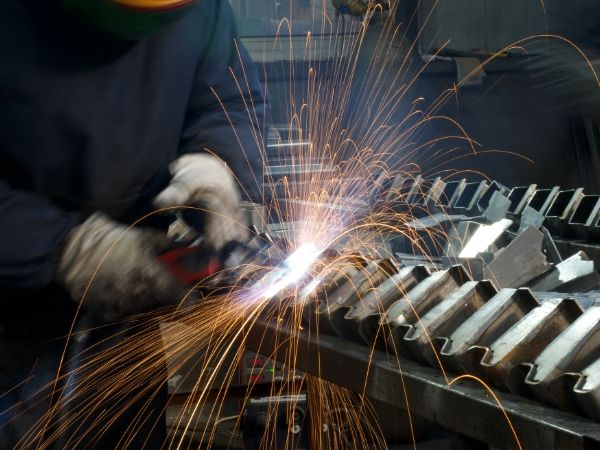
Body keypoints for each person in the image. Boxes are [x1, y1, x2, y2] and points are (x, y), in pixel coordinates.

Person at [0, 0, 265, 447]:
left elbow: (225, 100)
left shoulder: (202, 11)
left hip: (131, 314)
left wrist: (217, 164)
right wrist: (62, 249)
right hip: (12, 323)